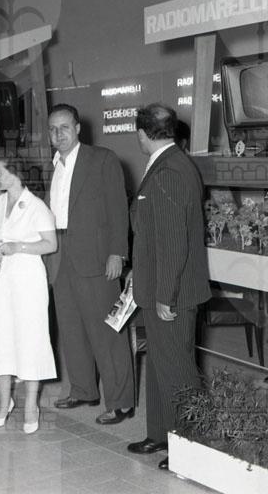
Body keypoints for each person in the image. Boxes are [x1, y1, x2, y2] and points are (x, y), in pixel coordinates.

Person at [127, 104, 211, 469]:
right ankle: (162, 434)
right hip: (158, 282)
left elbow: (174, 241)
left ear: (142, 134)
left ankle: (192, 447)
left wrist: (166, 295)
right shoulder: (171, 163)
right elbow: (154, 233)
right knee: (161, 364)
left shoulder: (169, 171)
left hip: (171, 291)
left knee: (178, 369)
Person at [47, 104, 134, 424]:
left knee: (107, 332)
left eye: (64, 127)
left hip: (96, 257)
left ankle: (121, 402)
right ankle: (83, 389)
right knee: (71, 328)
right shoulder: (54, 165)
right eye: (53, 129)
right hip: (60, 254)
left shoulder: (102, 159)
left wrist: (117, 253)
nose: (58, 134)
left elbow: (118, 209)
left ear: (78, 128)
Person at [0, 155, 57, 433]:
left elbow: (50, 245)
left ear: (16, 173)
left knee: (30, 339)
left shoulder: (37, 207)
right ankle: (4, 403)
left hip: (28, 280)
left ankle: (31, 406)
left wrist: (18, 247)